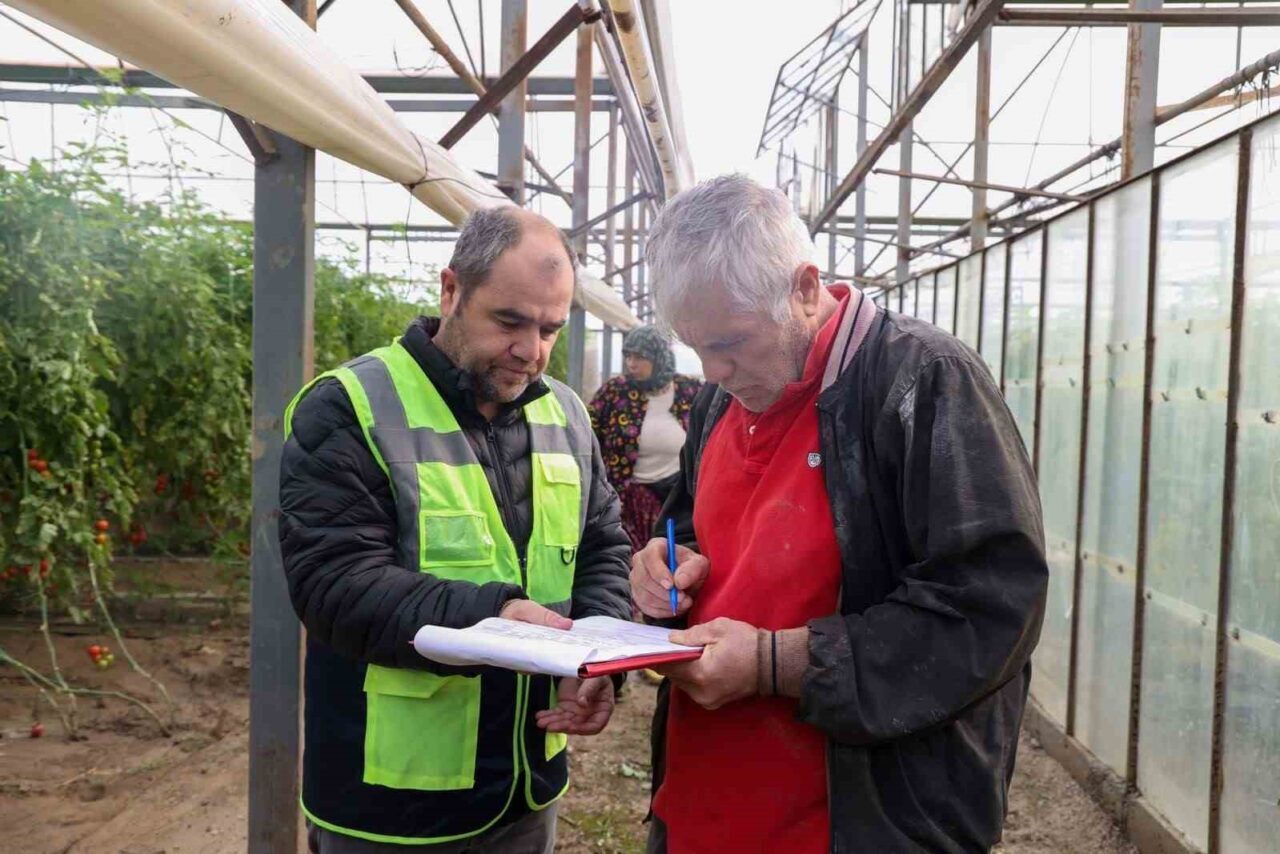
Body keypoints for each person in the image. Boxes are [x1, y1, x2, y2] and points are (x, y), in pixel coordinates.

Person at [629, 175, 1048, 853]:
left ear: (803, 287)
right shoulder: (718, 404)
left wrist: (776, 662)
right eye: (696, 346)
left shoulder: (920, 381)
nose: (713, 371)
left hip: (860, 823)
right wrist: (662, 569)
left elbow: (991, 607)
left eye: (731, 342)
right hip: (704, 801)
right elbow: (688, 529)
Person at [279, 206, 632, 853]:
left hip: (525, 787)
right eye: (510, 321)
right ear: (451, 291)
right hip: (391, 807)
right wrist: (495, 616)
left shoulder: (567, 416)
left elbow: (603, 543)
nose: (532, 351)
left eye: (551, 328)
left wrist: (595, 658)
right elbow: (333, 584)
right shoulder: (351, 407)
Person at [587, 326, 702, 552]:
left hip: (677, 499)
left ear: (659, 357)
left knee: (673, 559)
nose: (631, 363)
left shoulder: (690, 390)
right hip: (629, 501)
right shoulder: (615, 391)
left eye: (640, 357)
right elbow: (588, 436)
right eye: (628, 356)